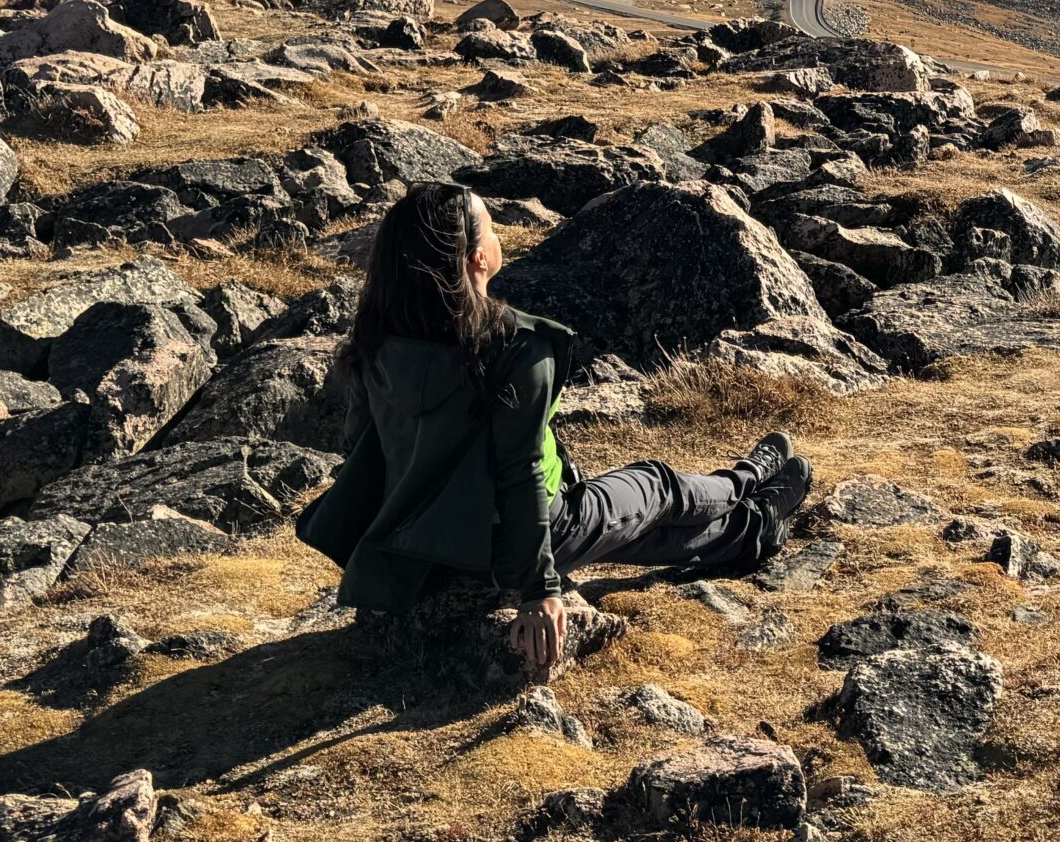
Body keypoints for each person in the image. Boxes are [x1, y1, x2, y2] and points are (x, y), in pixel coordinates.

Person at [298, 182, 812, 679]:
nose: (499, 235)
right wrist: (540, 591)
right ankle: (745, 479)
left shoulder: (375, 341)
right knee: (655, 485)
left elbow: (360, 449)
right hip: (518, 537)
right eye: (492, 228)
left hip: (418, 548)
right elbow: (518, 475)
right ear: (477, 258)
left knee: (635, 530)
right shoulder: (517, 347)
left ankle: (750, 532)